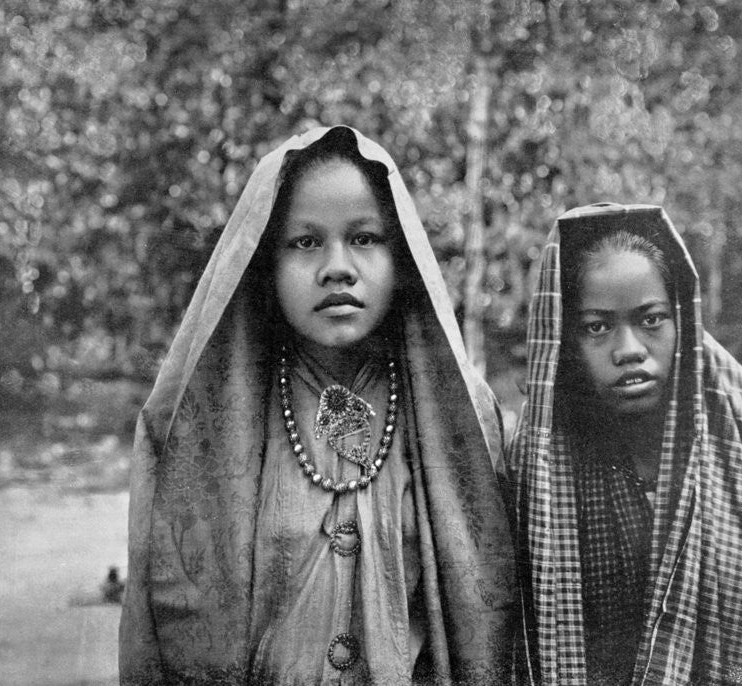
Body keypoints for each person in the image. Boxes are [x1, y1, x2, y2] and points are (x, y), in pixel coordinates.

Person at [119, 126, 519, 684]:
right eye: (305, 242)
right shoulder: (201, 424)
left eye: (364, 238)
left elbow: (490, 621)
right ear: (265, 264)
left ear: (401, 257)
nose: (337, 267)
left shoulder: (461, 419)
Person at [510, 203, 742, 685]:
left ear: (682, 321)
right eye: (597, 326)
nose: (629, 349)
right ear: (564, 341)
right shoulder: (539, 466)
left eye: (650, 320)